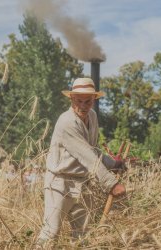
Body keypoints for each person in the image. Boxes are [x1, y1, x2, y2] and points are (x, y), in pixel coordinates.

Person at [37, 78, 126, 245]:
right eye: (79, 101)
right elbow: (87, 156)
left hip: (83, 183)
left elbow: (92, 148)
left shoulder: (92, 116)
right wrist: (111, 184)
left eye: (88, 101)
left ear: (94, 100)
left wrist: (113, 164)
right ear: (71, 99)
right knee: (51, 232)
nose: (83, 106)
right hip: (60, 183)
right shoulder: (67, 122)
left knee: (82, 236)